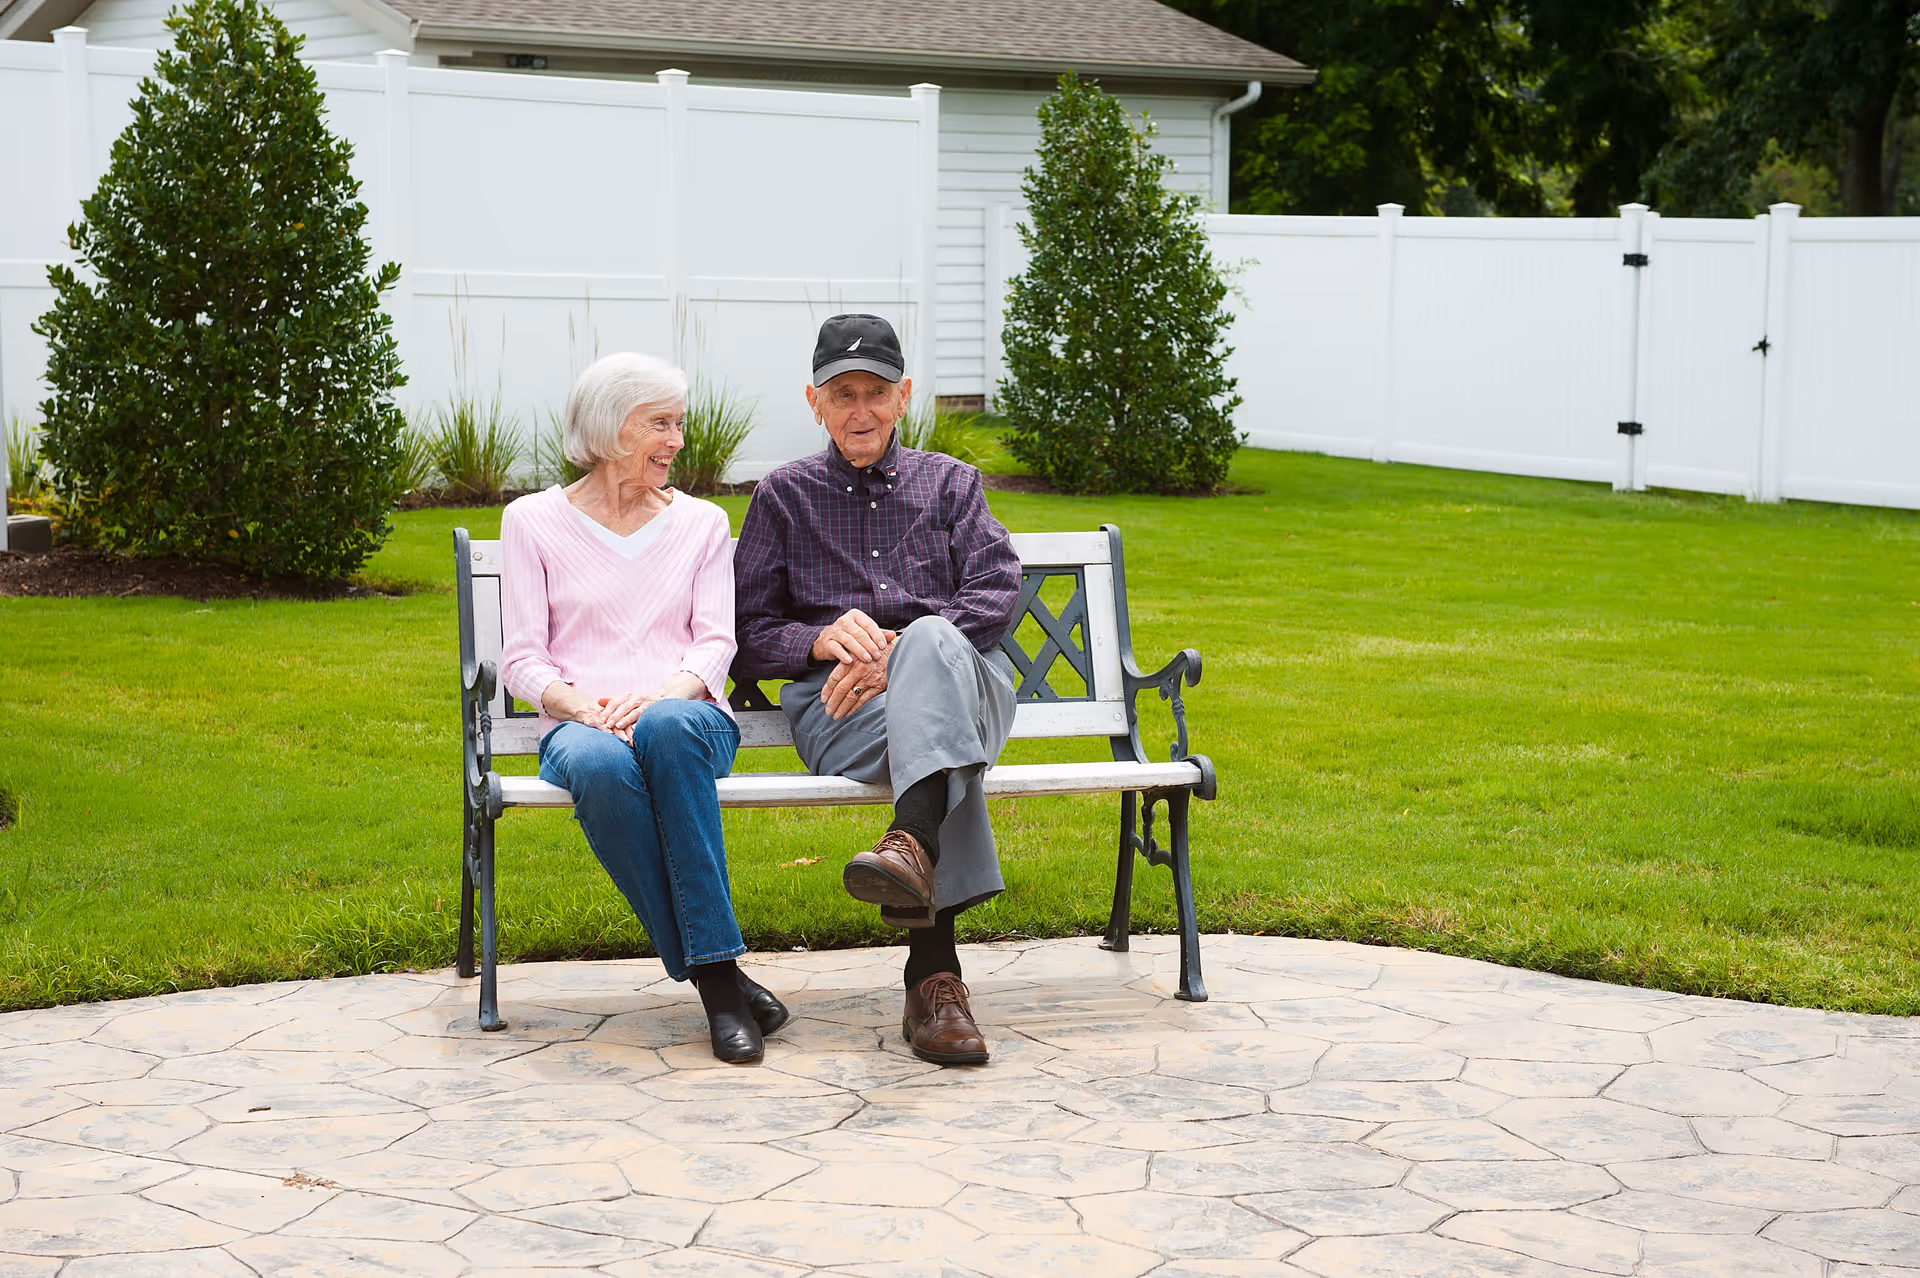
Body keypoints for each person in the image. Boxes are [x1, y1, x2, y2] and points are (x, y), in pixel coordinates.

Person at [733, 314, 1023, 1066]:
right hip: (843, 710)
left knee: (929, 640)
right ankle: (934, 978)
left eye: (876, 393)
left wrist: (902, 652)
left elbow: (995, 594)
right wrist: (820, 640)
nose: (859, 411)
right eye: (842, 394)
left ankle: (910, 846)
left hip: (965, 683)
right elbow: (746, 632)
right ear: (814, 400)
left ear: (905, 397)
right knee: (934, 741)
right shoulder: (783, 496)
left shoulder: (953, 484)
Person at [499, 352, 789, 1064]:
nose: (677, 441)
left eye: (678, 423)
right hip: (582, 723)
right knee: (596, 765)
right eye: (660, 424)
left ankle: (716, 985)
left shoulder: (701, 524)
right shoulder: (532, 521)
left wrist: (659, 696)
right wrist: (585, 708)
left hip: (687, 717)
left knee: (663, 727)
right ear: (609, 429)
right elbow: (521, 660)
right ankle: (722, 978)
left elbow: (717, 643)